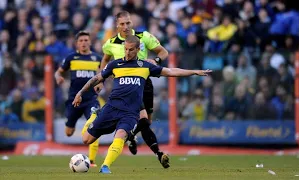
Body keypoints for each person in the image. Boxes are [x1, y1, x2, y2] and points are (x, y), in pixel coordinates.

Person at [73, 35, 211, 174]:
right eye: (125, 49)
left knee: (120, 135)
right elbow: (96, 78)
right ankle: (94, 115)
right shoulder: (115, 64)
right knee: (86, 140)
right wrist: (80, 93)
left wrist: (194, 72)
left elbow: (170, 71)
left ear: (138, 49)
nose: (127, 52)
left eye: (131, 50)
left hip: (130, 113)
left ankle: (105, 167)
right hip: (111, 108)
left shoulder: (145, 66)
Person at [94, 10, 170, 168]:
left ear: (132, 22)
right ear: (117, 25)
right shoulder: (111, 43)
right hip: (125, 88)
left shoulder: (144, 36)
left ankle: (131, 136)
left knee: (146, 122)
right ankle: (158, 153)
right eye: (122, 24)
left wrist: (155, 60)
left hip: (144, 84)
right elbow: (105, 59)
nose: (126, 26)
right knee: (142, 119)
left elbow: (163, 52)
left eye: (128, 23)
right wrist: (100, 80)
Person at [54, 31, 103, 167]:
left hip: (91, 99)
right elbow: (58, 71)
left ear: (90, 42)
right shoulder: (71, 57)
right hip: (73, 100)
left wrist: (101, 82)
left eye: (86, 40)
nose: (83, 43)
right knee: (68, 132)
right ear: (77, 43)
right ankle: (71, 125)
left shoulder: (97, 58)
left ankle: (92, 161)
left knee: (96, 124)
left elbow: (103, 75)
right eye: (81, 40)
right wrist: (58, 77)